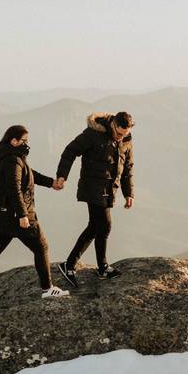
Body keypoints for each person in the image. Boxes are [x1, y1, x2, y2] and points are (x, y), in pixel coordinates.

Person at [0, 125, 69, 298]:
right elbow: (14, 188)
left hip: (2, 214)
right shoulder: (12, 159)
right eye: (24, 141)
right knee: (41, 247)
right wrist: (23, 215)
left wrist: (51, 183)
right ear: (14, 141)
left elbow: (29, 174)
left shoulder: (10, 157)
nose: (26, 145)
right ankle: (47, 288)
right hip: (14, 215)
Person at [53, 111, 134, 287]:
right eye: (119, 133)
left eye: (125, 134)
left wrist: (129, 193)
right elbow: (70, 151)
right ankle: (75, 265)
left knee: (97, 226)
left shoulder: (126, 139)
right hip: (92, 186)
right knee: (103, 225)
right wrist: (62, 176)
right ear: (113, 124)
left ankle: (97, 266)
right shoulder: (93, 134)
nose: (121, 138)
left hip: (109, 189)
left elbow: (127, 167)